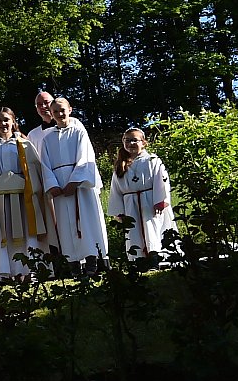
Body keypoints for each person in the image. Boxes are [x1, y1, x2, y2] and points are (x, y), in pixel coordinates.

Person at [0, 107, 58, 283]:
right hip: (1, 202)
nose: (3, 124)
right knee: (4, 236)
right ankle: (7, 273)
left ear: (13, 121)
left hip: (24, 199)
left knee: (27, 234)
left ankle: (29, 271)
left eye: (6, 120)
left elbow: (35, 171)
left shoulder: (24, 144)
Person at [43, 96, 109, 272]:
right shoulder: (47, 139)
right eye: (55, 111)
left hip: (79, 187)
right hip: (59, 187)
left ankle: (91, 261)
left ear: (70, 110)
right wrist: (52, 184)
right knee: (66, 226)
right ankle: (73, 264)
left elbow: (85, 157)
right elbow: (45, 164)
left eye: (62, 110)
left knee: (85, 222)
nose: (59, 114)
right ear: (51, 114)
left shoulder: (79, 132)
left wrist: (74, 182)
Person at [109, 127, 177, 262]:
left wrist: (160, 200)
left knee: (152, 228)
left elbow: (161, 180)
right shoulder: (120, 165)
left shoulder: (152, 160)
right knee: (133, 232)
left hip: (150, 201)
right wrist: (119, 211)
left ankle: (156, 257)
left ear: (143, 142)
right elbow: (115, 189)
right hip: (130, 203)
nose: (131, 144)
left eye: (135, 140)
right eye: (127, 141)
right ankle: (138, 260)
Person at [29, 90, 58, 156]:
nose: (43, 106)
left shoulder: (71, 124)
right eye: (39, 104)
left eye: (46, 102)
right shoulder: (32, 135)